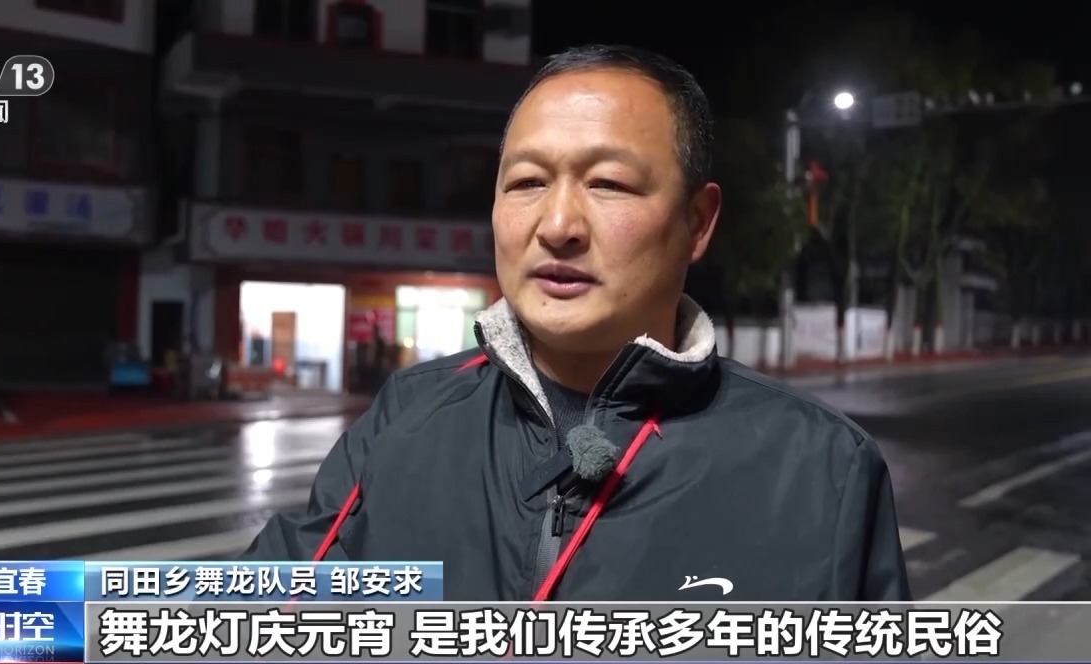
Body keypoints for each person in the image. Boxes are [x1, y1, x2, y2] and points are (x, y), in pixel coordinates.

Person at [241, 44, 911, 602]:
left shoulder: (823, 471)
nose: (557, 225)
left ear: (697, 222)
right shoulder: (407, 415)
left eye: (608, 183)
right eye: (527, 183)